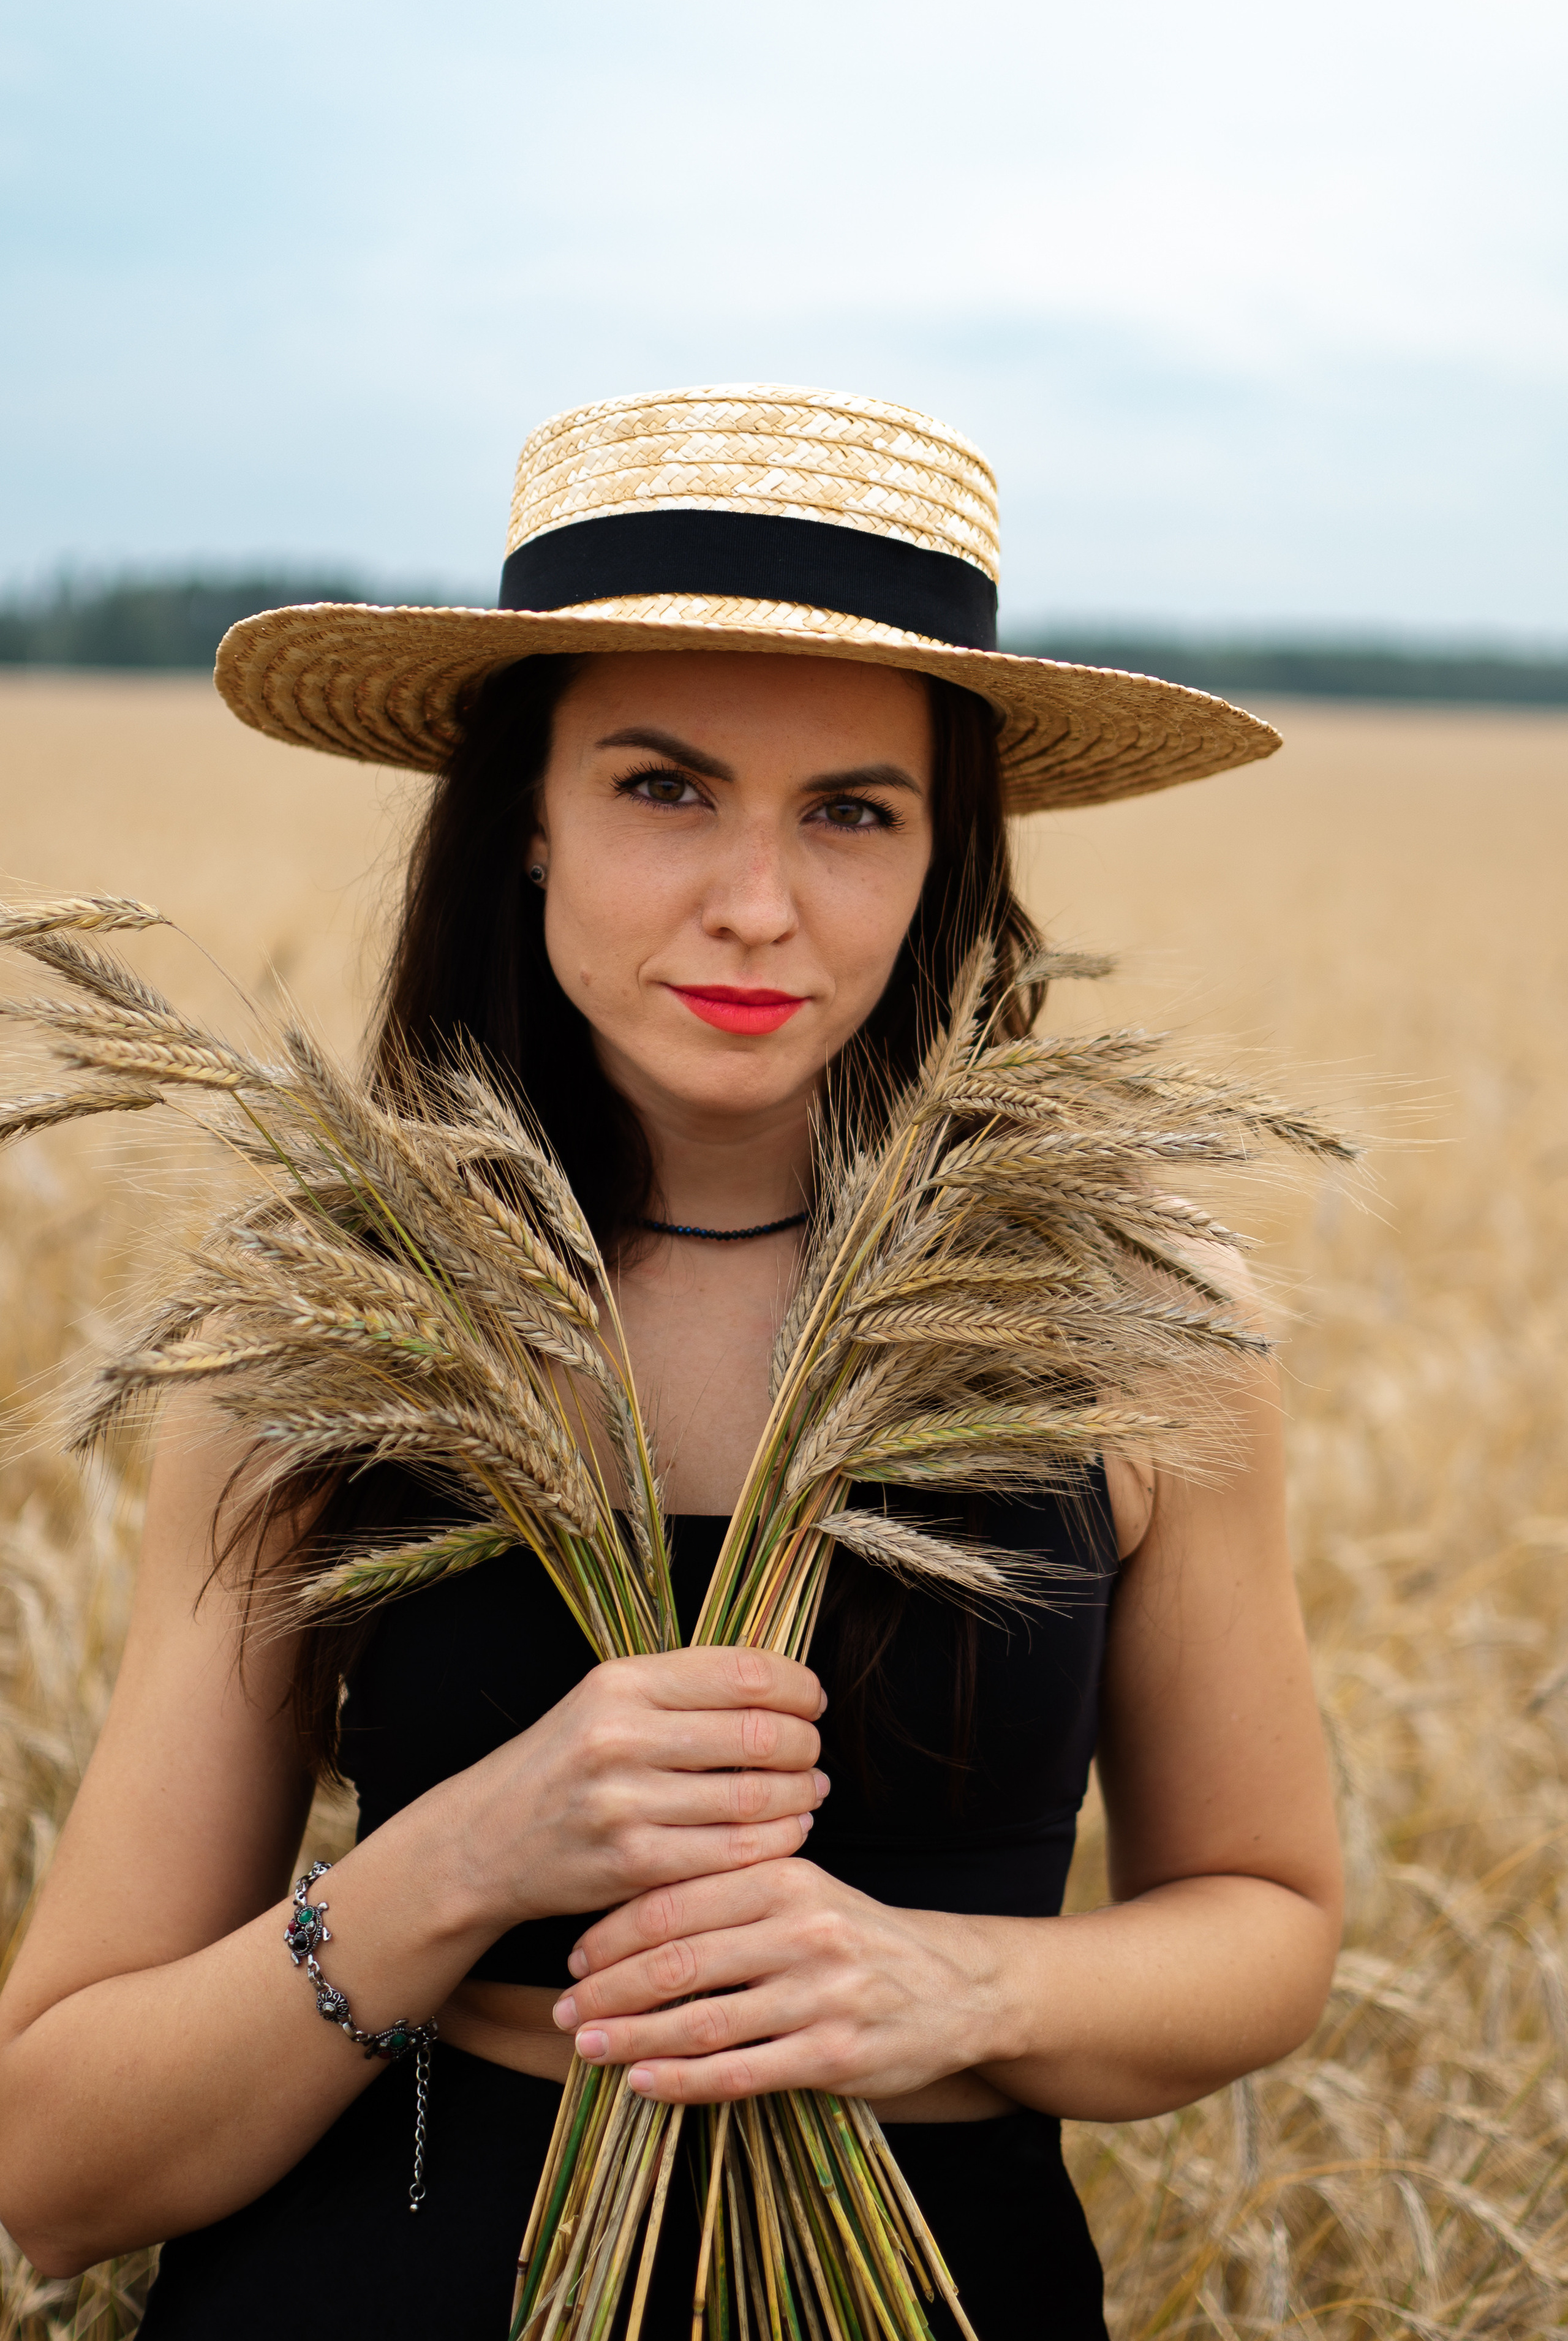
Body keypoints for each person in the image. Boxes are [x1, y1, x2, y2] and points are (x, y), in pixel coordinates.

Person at [0, 386, 1342, 2338]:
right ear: (524, 823)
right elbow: (51, 2158)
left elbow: (1272, 1923)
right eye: (662, 786)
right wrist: (466, 1853)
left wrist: (951, 1984)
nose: (758, 904)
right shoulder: (316, 1325)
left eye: (853, 815)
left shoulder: (1133, 1316)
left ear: (943, 855)